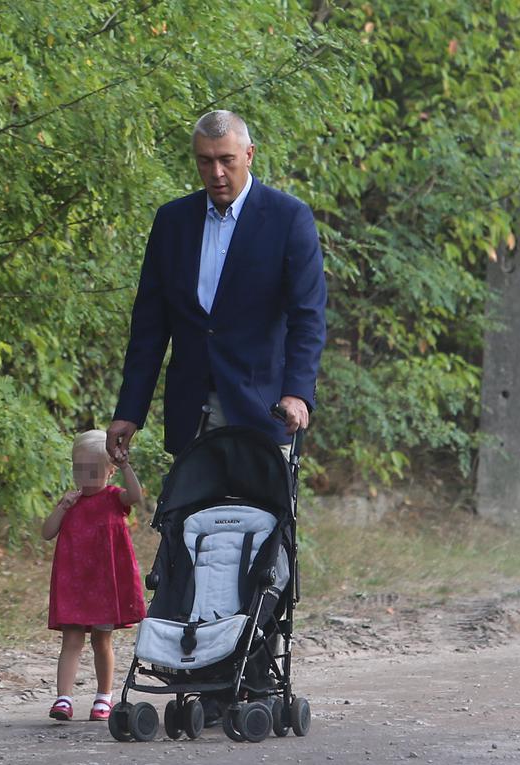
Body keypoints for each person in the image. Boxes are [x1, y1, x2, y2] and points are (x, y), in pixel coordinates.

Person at [106, 109, 326, 463]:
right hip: (190, 412)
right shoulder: (172, 222)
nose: (217, 173)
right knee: (189, 519)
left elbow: (308, 317)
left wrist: (297, 393)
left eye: (227, 160)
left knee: (260, 520)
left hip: (263, 409)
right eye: (205, 161)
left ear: (249, 155)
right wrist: (129, 410)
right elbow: (150, 326)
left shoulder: (289, 219)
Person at [43, 430, 146, 722]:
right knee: (71, 640)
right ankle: (63, 698)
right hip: (74, 583)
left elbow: (136, 496)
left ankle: (104, 697)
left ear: (110, 472)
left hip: (104, 583)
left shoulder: (114, 499)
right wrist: (61, 507)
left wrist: (126, 466)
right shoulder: (71, 503)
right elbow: (47, 532)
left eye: (93, 471)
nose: (84, 478)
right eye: (79, 471)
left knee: (102, 640)